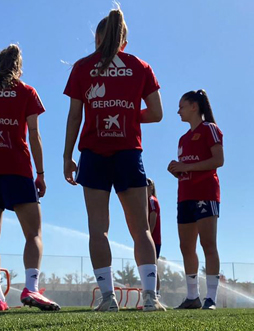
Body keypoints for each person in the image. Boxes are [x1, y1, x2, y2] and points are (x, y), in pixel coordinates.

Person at [63, 6, 165, 312]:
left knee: (98, 229)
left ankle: (108, 299)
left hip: (93, 154)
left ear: (97, 38)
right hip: (128, 152)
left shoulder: (82, 67)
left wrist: (67, 156)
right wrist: (128, 114)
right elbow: (157, 113)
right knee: (141, 229)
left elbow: (75, 116)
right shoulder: (140, 66)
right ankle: (150, 297)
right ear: (125, 40)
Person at [0, 44, 60, 312]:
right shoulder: (26, 91)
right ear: (18, 67)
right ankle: (31, 288)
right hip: (18, 169)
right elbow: (34, 134)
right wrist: (40, 174)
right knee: (33, 233)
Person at [168, 90, 224, 310]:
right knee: (186, 246)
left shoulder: (210, 129)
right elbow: (188, 167)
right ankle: (192, 296)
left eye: (181, 106)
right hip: (185, 196)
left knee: (208, 244)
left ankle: (211, 298)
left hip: (205, 193)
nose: (178, 111)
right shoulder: (183, 139)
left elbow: (218, 160)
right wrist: (178, 170)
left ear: (194, 106)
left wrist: (187, 166)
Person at [147, 178, 161, 291]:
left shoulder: (152, 200)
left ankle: (156, 293)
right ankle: (151, 291)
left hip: (154, 240)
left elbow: (153, 221)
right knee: (148, 266)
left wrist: (148, 238)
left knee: (153, 267)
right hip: (149, 239)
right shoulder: (145, 201)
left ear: (151, 187)